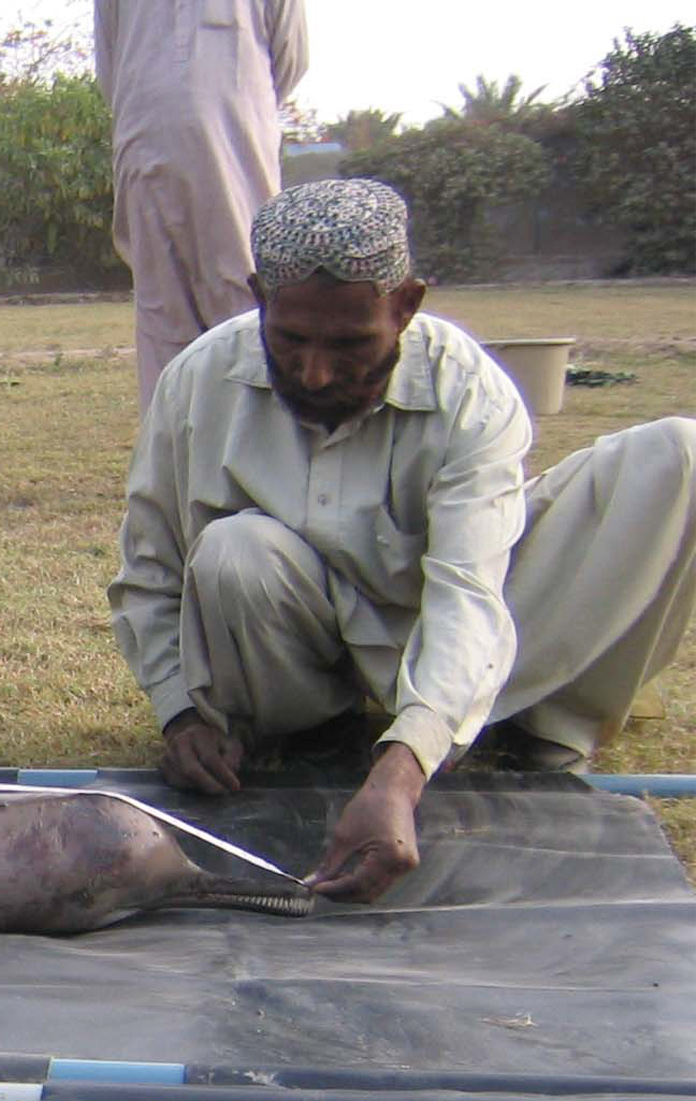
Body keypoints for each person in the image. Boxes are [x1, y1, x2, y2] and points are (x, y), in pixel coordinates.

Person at [108, 178, 696, 904]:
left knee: (677, 455)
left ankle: (535, 730)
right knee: (234, 551)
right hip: (292, 662)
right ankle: (312, 741)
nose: (316, 372)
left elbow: (467, 596)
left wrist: (402, 772)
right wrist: (181, 713)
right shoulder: (197, 381)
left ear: (407, 304)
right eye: (289, 339)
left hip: (449, 636)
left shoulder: (470, 391)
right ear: (259, 295)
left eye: (351, 343)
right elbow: (150, 571)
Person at [95, 0, 308, 411]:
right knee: (163, 312)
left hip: (234, 137)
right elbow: (110, 62)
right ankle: (173, 464)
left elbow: (289, 58)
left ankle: (253, 452)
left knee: (244, 294)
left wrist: (229, 100)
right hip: (144, 134)